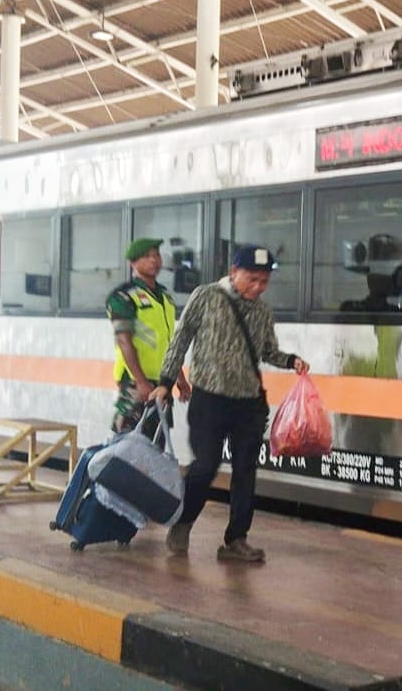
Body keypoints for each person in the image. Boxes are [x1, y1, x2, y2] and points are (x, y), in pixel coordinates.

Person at [151, 245, 309, 563]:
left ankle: (236, 539)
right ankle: (183, 522)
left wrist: (290, 360)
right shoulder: (206, 296)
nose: (258, 287)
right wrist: (166, 381)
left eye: (264, 281)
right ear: (234, 272)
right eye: (252, 279)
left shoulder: (262, 311)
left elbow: (267, 350)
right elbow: (180, 339)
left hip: (248, 403)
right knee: (205, 466)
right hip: (209, 400)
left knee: (245, 471)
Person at [106, 238, 191, 437]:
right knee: (128, 442)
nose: (154, 260)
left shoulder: (165, 297)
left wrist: (180, 379)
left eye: (156, 255)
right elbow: (124, 341)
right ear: (133, 263)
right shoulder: (123, 297)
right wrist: (141, 381)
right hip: (135, 382)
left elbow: (170, 343)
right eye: (146, 256)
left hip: (163, 383)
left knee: (157, 443)